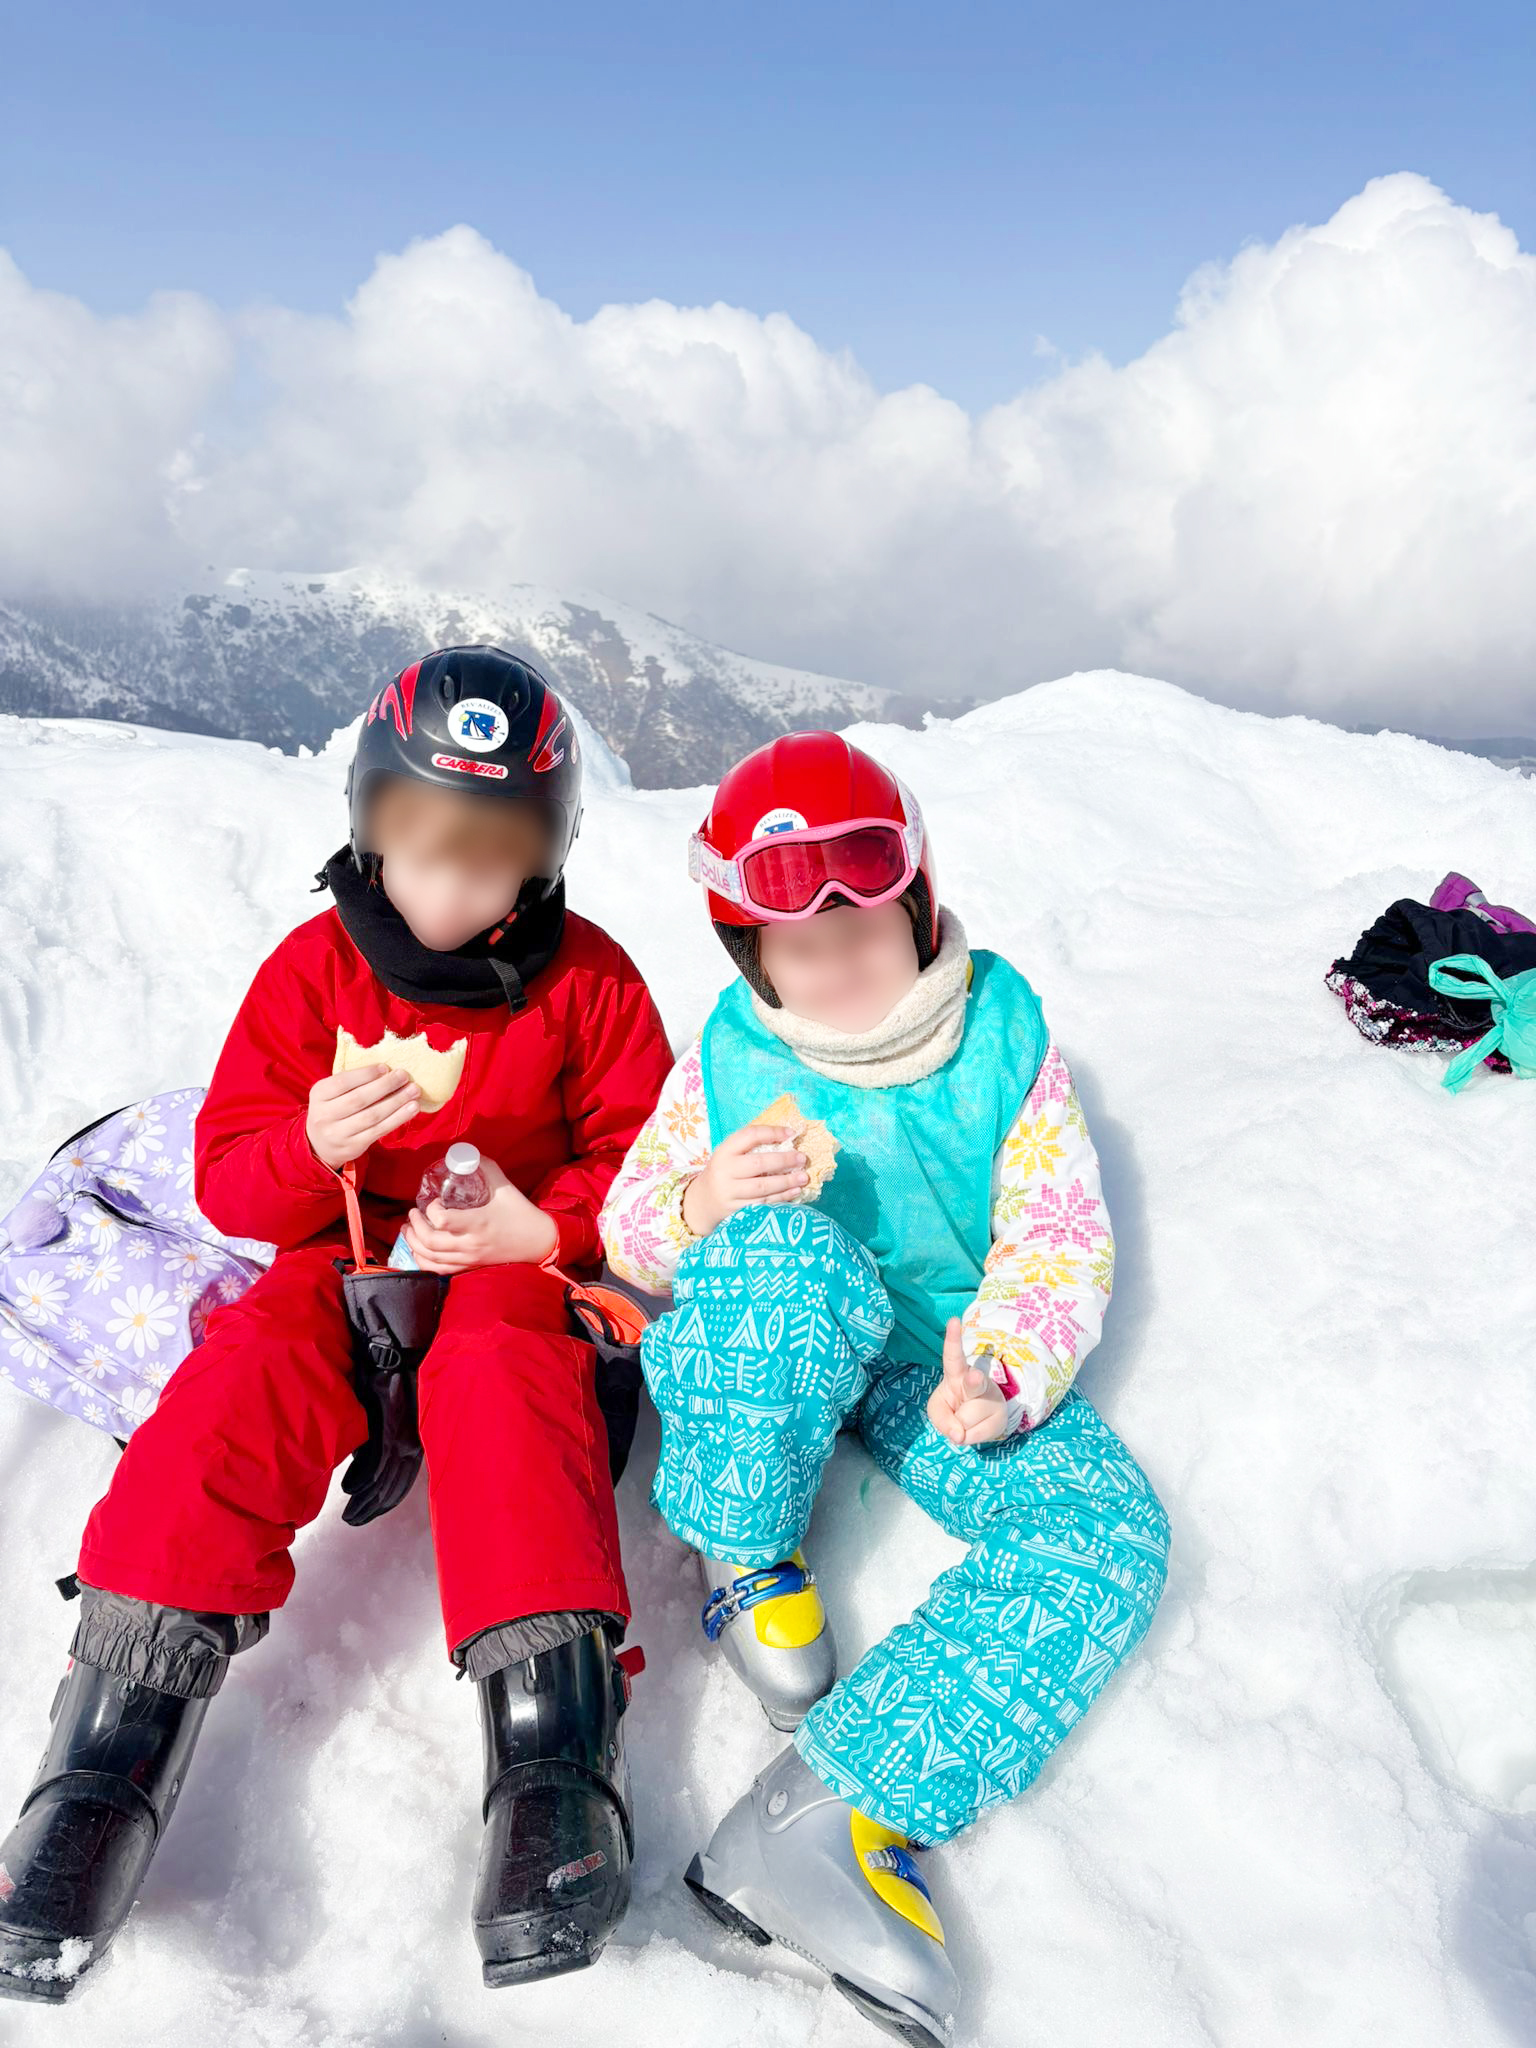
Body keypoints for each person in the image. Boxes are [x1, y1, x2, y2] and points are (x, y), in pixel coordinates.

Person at [0, 647, 673, 2004]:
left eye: (492, 850)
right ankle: (105, 1755)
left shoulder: (589, 983)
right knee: (246, 1367)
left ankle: (552, 1758)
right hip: (341, 1255)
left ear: (544, 854)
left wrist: (545, 1226)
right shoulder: (315, 975)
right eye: (420, 841)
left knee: (501, 1364)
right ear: (370, 820)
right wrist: (309, 1142)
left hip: (507, 1261)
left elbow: (647, 1155)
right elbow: (232, 1175)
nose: (449, 882)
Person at [600, 731, 1170, 2047]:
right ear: (754, 956)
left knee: (1106, 1531)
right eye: (799, 944)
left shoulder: (1002, 1035)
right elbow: (633, 1227)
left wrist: (1008, 1365)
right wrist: (699, 1200)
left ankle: (833, 1809)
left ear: (916, 907)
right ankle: (747, 1556)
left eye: (863, 924)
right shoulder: (737, 1059)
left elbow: (1057, 1229)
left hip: (932, 1357)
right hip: (775, 1337)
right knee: (790, 1259)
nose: (839, 965)